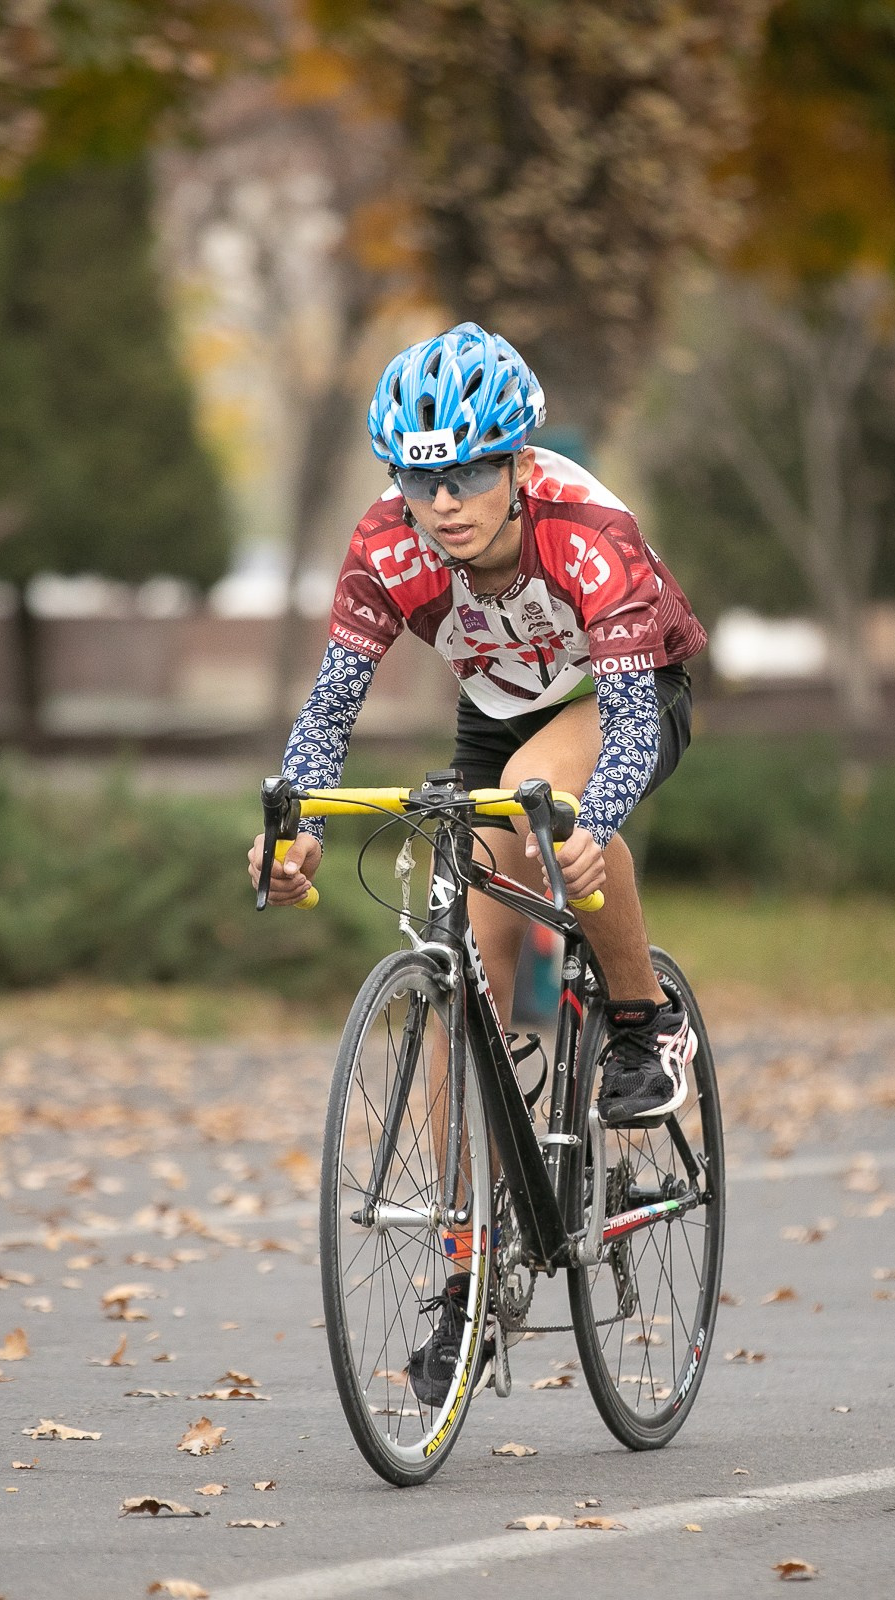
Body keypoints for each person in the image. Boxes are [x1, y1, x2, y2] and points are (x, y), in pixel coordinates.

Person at [247, 322, 706, 1404]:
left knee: (543, 808)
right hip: (493, 713)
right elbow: (330, 705)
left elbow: (632, 724)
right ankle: (468, 1281)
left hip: (621, 695)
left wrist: (599, 812)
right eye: (419, 477)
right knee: (467, 993)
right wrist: (291, 824)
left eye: (465, 474)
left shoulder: (586, 531)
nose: (442, 501)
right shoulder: (388, 546)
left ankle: (646, 1023)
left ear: (515, 465)